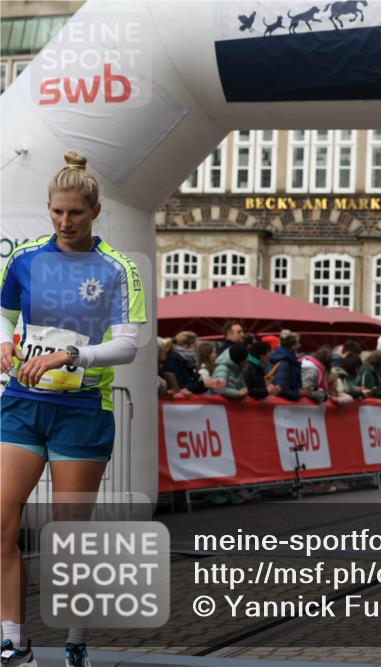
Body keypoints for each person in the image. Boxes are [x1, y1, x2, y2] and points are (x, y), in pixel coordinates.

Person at [1, 151, 147, 667]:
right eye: (57, 212)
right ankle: (13, 641)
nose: (64, 222)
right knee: (1, 518)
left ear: (95, 211)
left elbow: (128, 345)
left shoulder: (118, 269)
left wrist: (74, 354)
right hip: (22, 403)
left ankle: (75, 638)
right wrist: (4, 344)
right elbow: (5, 316)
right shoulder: (24, 260)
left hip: (83, 408)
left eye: (75, 214)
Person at [270, 330, 307, 402]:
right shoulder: (285, 361)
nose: (300, 345)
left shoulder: (288, 358)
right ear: (293, 346)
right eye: (298, 343)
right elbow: (281, 388)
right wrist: (297, 394)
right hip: (283, 406)